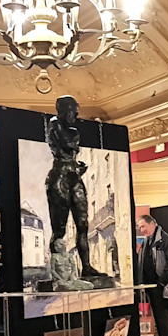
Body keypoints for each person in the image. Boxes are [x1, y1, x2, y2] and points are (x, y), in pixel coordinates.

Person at [45, 95, 104, 279]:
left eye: (76, 112)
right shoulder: (54, 123)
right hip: (59, 178)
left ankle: (86, 267)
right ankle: (57, 272)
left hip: (73, 176)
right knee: (59, 230)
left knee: (83, 224)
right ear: (65, 110)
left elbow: (71, 147)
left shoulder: (69, 127)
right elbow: (68, 143)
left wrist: (79, 168)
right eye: (73, 112)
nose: (75, 116)